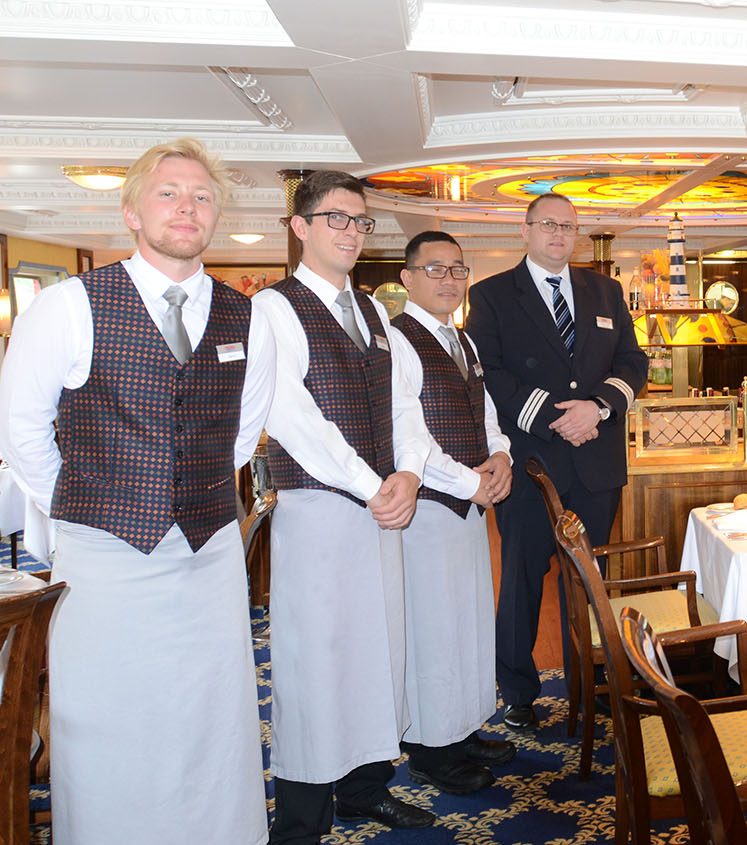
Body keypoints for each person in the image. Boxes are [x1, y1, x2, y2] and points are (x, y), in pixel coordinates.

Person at [0, 137, 270, 844]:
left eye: (202, 196)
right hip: (104, 554)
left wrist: (195, 489)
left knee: (210, 712)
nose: (187, 207)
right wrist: (87, 505)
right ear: (131, 212)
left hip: (208, 549)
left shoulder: (248, 316)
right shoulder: (69, 305)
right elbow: (20, 428)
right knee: (111, 716)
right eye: (169, 193)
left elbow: (244, 427)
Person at [254, 170, 438, 842]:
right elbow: (292, 414)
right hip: (319, 509)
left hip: (382, 502)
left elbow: (405, 403)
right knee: (316, 658)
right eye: (337, 218)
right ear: (300, 227)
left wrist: (410, 471)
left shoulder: (373, 310)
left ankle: (364, 788)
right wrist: (373, 484)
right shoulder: (275, 308)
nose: (352, 231)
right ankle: (301, 819)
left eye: (361, 221)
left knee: (376, 647)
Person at [466, 192, 647, 733]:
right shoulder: (492, 294)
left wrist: (599, 406)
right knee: (522, 579)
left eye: (568, 226)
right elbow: (489, 373)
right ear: (525, 231)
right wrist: (554, 418)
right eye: (547, 224)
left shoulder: (606, 291)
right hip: (530, 467)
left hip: (596, 465)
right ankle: (518, 692)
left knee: (591, 579)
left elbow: (632, 361)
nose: (558, 234)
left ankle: (588, 684)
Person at [388, 231, 517, 793]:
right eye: (434, 269)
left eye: (458, 269)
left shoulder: (462, 339)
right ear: (408, 278)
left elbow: (485, 413)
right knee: (433, 629)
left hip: (467, 506)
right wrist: (472, 484)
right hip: (428, 509)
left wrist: (501, 456)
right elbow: (408, 438)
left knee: (467, 620)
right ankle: (429, 749)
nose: (449, 279)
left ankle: (461, 729)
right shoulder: (398, 340)